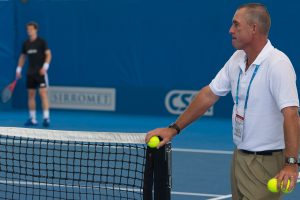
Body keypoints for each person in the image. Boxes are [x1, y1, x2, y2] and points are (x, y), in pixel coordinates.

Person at [145, 3, 299, 199]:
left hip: (266, 162)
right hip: (239, 158)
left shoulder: (278, 64)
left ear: (253, 28)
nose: (230, 30)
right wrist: (174, 128)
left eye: (236, 25)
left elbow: (292, 115)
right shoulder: (237, 59)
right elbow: (209, 94)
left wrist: (291, 164)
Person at [16, 21, 52, 127]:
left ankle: (46, 118)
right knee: (31, 95)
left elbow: (49, 55)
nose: (29, 31)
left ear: (36, 30)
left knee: (43, 94)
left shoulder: (42, 42)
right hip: (30, 73)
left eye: (31, 29)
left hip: (40, 73)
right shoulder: (26, 43)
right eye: (28, 29)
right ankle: (32, 119)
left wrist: (45, 67)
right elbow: (23, 57)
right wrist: (18, 69)